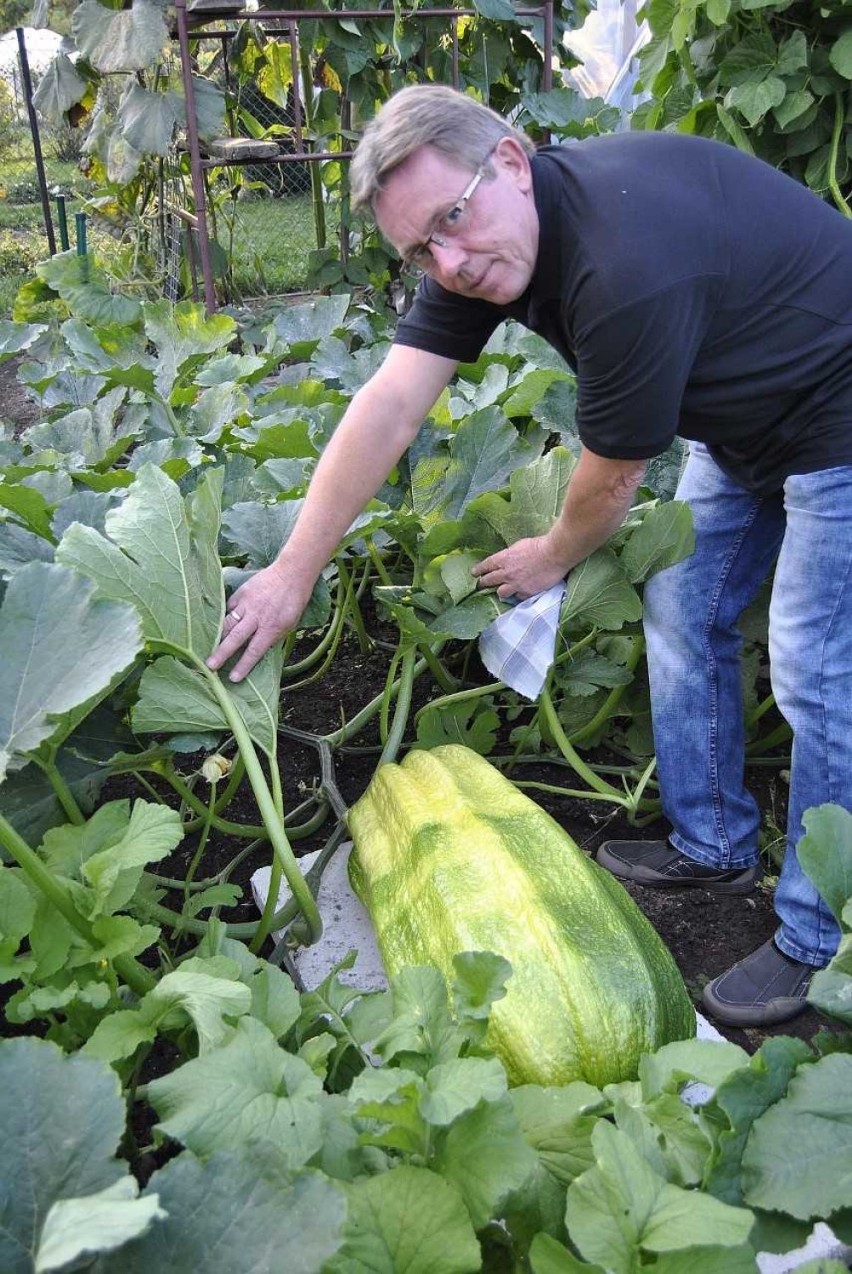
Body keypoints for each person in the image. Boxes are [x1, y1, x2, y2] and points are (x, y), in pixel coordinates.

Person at [207, 84, 852, 1028]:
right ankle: (712, 841)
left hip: (838, 405)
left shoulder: (624, 268)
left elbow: (611, 481)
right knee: (682, 602)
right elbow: (390, 403)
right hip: (749, 412)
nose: (449, 262)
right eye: (420, 249)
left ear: (511, 160)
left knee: (816, 672)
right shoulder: (487, 235)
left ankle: (821, 941)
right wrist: (293, 568)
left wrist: (553, 553)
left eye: (451, 224)